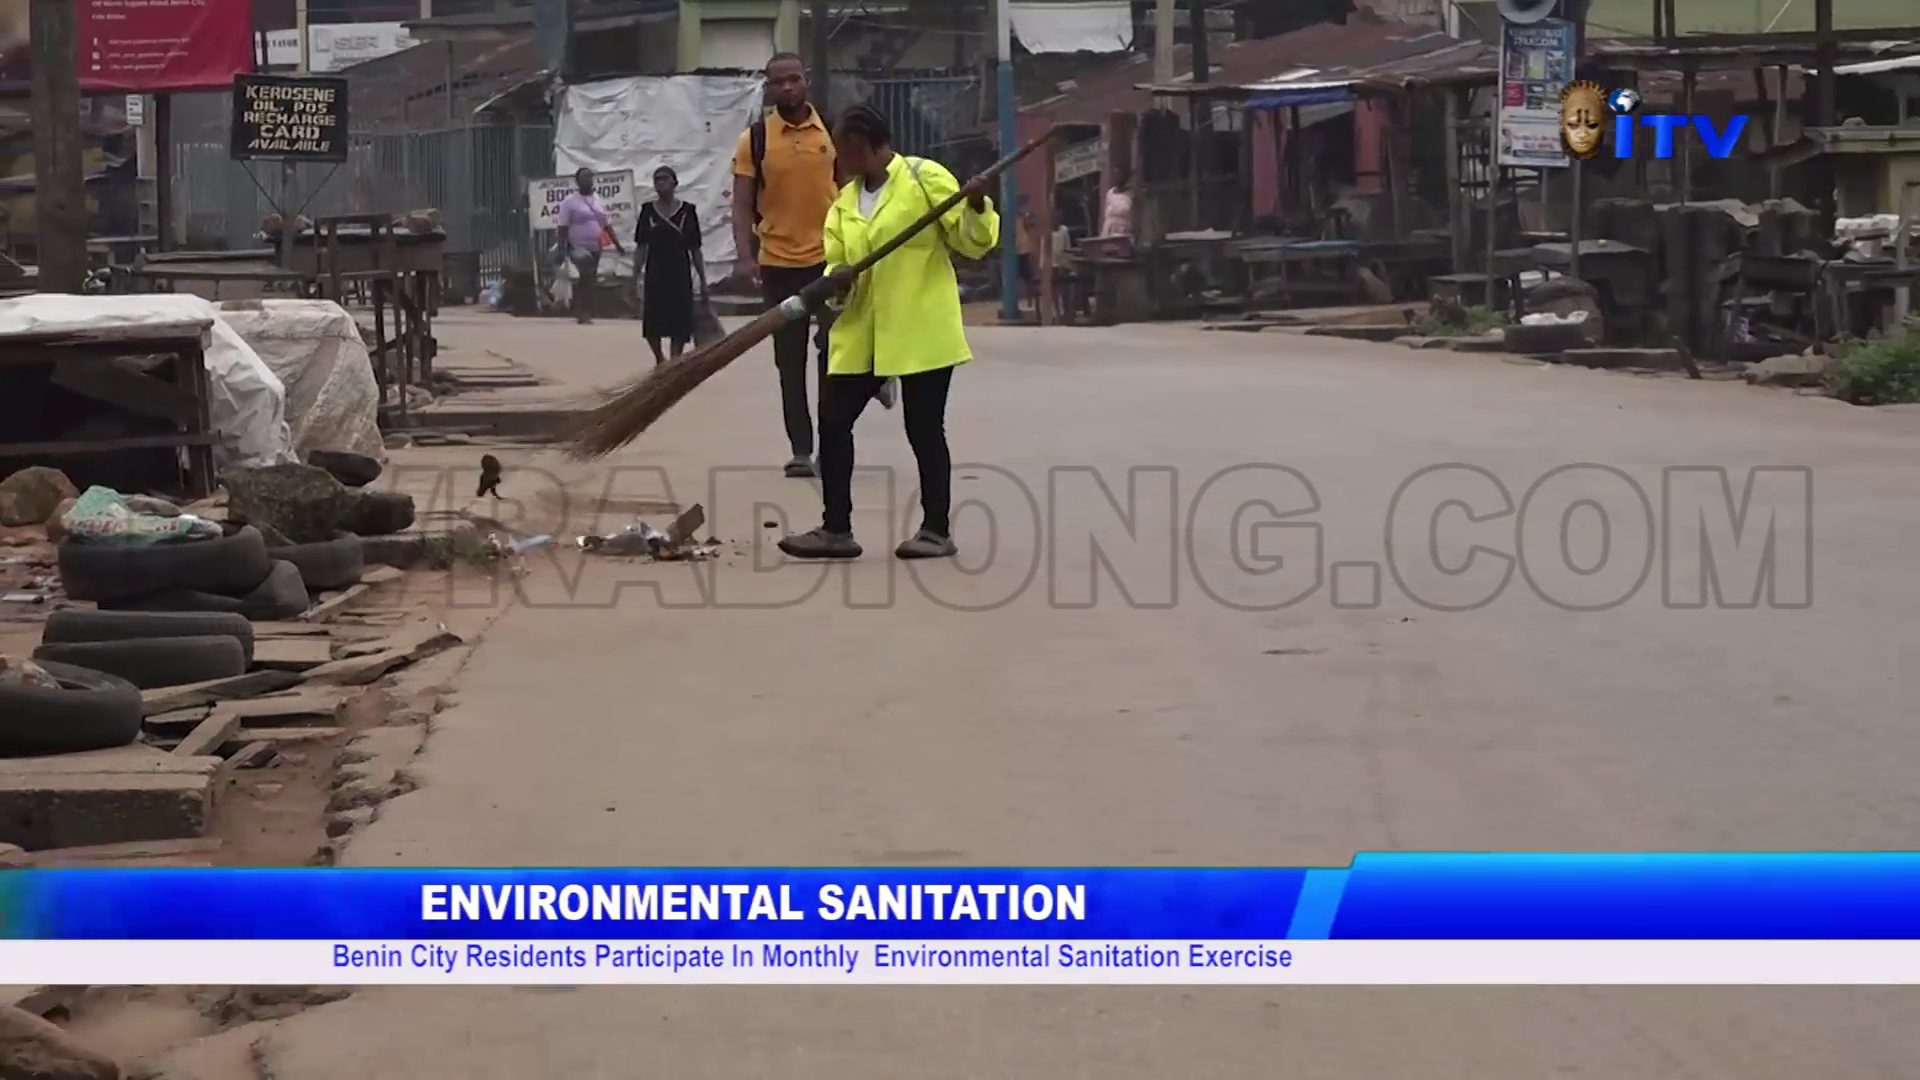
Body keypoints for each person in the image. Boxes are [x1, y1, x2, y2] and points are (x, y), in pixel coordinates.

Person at [777, 105, 998, 562]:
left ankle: (936, 530)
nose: (839, 159)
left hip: (920, 330)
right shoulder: (843, 204)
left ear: (863, 145)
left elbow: (972, 242)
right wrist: (839, 282)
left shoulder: (924, 178)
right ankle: (836, 529)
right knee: (834, 424)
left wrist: (976, 205)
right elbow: (836, 264)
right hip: (861, 332)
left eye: (844, 149)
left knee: (923, 428)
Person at [732, 52, 840, 478]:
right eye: (779, 82)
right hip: (778, 264)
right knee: (789, 360)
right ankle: (801, 448)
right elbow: (741, 204)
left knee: (836, 356)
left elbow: (852, 191)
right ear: (768, 88)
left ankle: (834, 441)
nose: (788, 87)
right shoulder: (754, 140)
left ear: (807, 81)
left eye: (795, 79)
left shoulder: (832, 131)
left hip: (830, 261)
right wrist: (745, 255)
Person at [634, 165, 706, 364]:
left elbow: (695, 249)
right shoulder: (647, 211)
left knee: (680, 319)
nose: (660, 183)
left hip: (679, 273)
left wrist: (703, 279)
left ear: (675, 183)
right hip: (655, 272)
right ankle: (659, 359)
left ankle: (675, 360)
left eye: (664, 179)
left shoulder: (688, 211)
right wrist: (635, 276)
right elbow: (640, 247)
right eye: (657, 180)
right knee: (652, 320)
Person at [555, 167, 624, 324]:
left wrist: (617, 244)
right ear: (577, 181)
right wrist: (561, 248)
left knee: (589, 279)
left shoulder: (597, 199)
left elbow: (605, 224)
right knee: (585, 274)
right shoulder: (569, 202)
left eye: (589, 177)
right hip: (577, 246)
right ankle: (582, 312)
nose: (587, 180)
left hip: (595, 246)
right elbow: (563, 227)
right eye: (583, 178)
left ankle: (586, 309)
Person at [1100, 174, 1134, 239]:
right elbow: (1106, 209)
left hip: (1123, 229)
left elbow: (1130, 212)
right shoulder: (1110, 193)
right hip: (1109, 228)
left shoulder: (1129, 195)